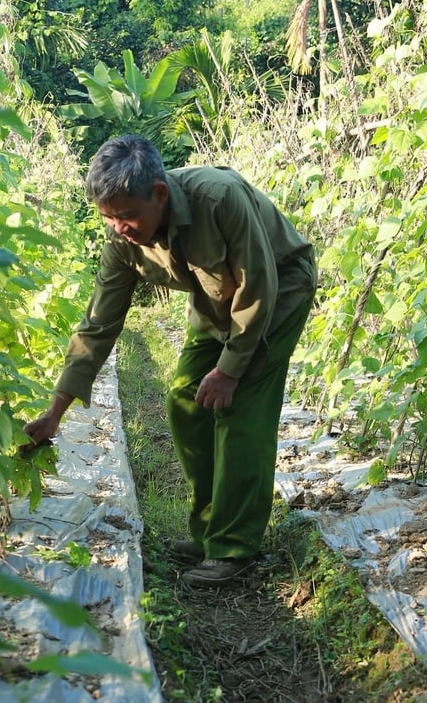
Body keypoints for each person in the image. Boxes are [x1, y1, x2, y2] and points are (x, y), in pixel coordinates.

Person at [23, 135, 318, 587]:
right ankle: (207, 531)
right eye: (108, 217)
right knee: (185, 399)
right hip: (214, 302)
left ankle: (234, 548)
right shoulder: (123, 242)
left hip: (277, 291)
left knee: (239, 410)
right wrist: (55, 413)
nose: (119, 226)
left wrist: (229, 371)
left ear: (159, 194)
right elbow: (99, 324)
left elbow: (258, 287)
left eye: (126, 215)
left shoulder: (219, 198)